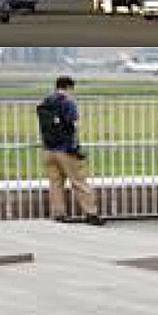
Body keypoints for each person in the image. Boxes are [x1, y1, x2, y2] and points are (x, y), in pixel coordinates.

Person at [37, 75, 103, 225]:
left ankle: (59, 214)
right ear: (69, 87)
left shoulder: (46, 101)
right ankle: (91, 213)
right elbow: (74, 125)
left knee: (55, 183)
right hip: (65, 149)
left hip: (48, 150)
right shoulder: (68, 103)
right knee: (79, 181)